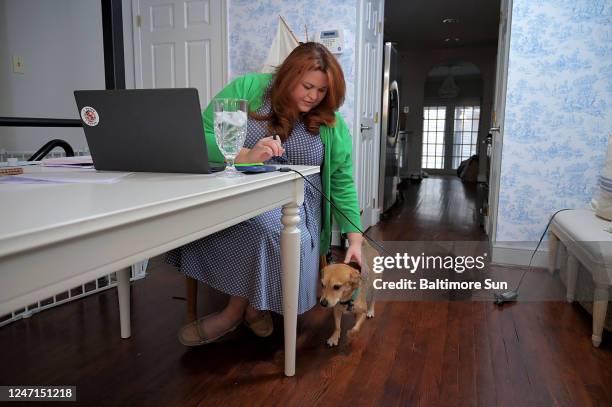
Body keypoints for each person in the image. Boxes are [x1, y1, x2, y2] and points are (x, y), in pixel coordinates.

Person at [167, 42, 363, 346]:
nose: (313, 97)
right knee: (223, 222)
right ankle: (252, 309)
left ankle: (236, 312)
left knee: (270, 230)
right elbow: (199, 134)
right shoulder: (249, 88)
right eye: (307, 86)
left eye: (322, 91)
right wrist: (246, 154)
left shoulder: (332, 124)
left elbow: (341, 182)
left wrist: (355, 240)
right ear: (287, 76)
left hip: (298, 205)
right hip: (237, 193)